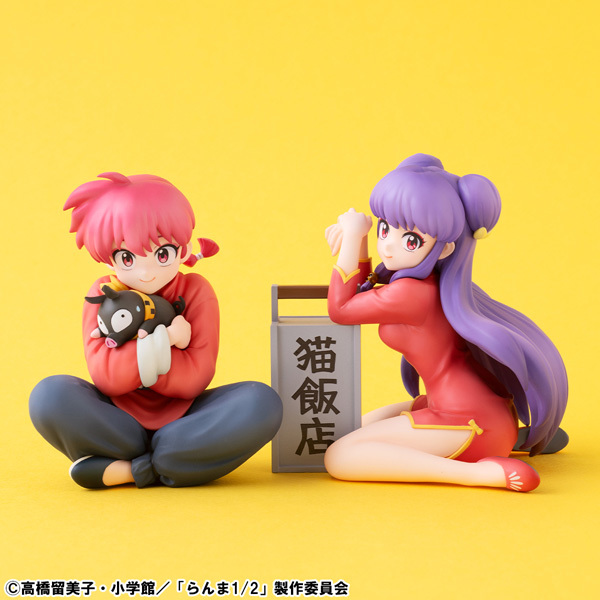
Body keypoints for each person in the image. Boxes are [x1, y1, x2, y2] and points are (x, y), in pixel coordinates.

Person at [324, 154, 567, 492]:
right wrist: (361, 239)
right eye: (384, 228)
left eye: (410, 239)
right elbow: (362, 293)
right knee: (348, 431)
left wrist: (352, 239)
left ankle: (481, 474)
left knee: (339, 456)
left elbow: (341, 309)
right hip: (467, 410)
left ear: (444, 249)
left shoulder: (412, 293)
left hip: (468, 422)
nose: (388, 245)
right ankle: (513, 437)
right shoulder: (431, 285)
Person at [30, 172, 282, 489]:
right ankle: (168, 463)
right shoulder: (103, 293)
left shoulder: (196, 290)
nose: (146, 273)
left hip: (187, 421)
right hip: (116, 422)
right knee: (49, 396)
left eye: (162, 254)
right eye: (127, 257)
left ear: (183, 249)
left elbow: (194, 378)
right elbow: (107, 377)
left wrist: (133, 356)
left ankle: (131, 469)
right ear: (107, 259)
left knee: (262, 402)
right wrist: (169, 339)